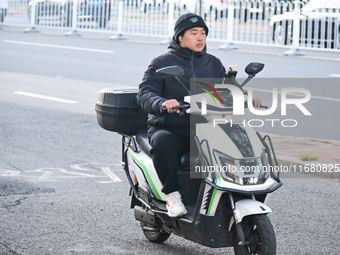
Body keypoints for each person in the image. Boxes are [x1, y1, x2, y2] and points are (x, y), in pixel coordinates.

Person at [138, 13, 261, 218]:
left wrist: (247, 96)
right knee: (163, 142)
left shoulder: (213, 63)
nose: (200, 37)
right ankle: (172, 195)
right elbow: (145, 93)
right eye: (193, 32)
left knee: (239, 139)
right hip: (170, 127)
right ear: (180, 37)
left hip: (205, 126)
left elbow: (227, 90)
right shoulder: (161, 62)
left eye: (203, 33)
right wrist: (161, 103)